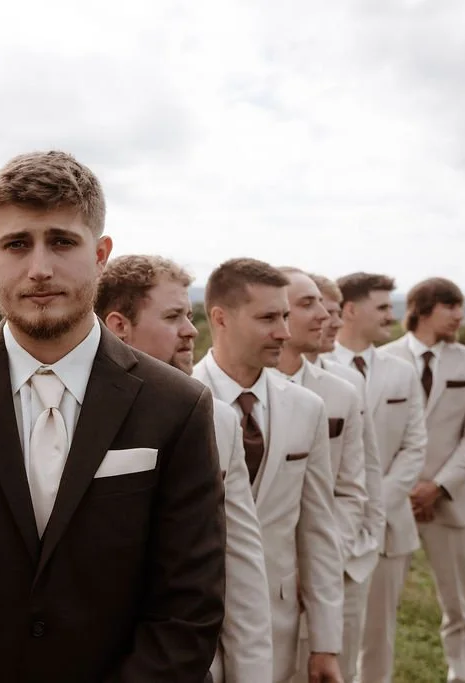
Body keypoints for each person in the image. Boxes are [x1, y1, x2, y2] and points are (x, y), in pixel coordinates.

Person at [0, 151, 226, 683]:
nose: (40, 268)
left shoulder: (177, 404)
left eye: (62, 241)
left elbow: (189, 604)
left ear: (100, 254)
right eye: (17, 244)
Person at [96, 254, 273, 683]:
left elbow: (241, 565)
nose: (191, 330)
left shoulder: (218, 419)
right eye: (174, 316)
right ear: (119, 325)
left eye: (190, 315)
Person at [193, 258, 344, 683]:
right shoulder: (177, 402)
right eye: (267, 318)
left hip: (277, 625)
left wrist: (325, 643)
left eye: (284, 316)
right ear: (220, 319)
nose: (284, 331)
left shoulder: (307, 408)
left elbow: (318, 529)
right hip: (190, 622)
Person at [380, 277, 465, 683]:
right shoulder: (381, 359)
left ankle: (463, 677)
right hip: (394, 504)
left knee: (459, 606)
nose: (461, 316)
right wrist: (403, 490)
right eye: (452, 307)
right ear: (424, 309)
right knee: (379, 607)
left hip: (452, 503)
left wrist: (437, 487)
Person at [328, 273, 427, 683]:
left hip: (390, 526)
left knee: (380, 634)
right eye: (383, 307)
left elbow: (416, 444)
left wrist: (377, 501)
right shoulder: (317, 367)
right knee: (332, 637)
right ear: (350, 309)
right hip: (332, 528)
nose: (393, 315)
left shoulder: (402, 371)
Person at [273, 269, 366, 683]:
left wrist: (323, 565)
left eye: (324, 306)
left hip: (325, 571)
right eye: (307, 305)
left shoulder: (343, 393)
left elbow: (350, 488)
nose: (328, 318)